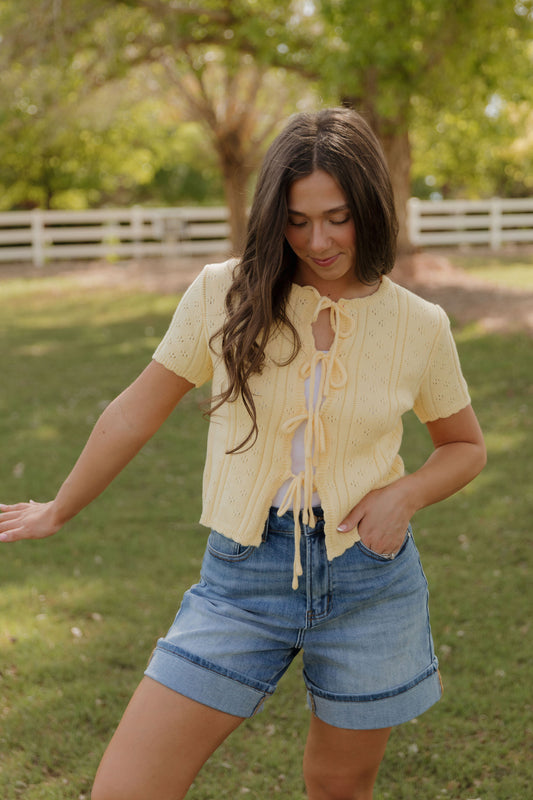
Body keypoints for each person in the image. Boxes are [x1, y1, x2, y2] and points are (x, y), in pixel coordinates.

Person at [0, 107, 486, 800]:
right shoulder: (221, 295)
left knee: (337, 788)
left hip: (368, 586)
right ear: (272, 217)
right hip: (240, 580)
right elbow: (135, 411)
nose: (316, 240)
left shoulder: (419, 325)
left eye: (337, 217)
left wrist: (405, 495)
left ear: (370, 209)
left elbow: (464, 448)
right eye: (296, 219)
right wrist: (59, 508)